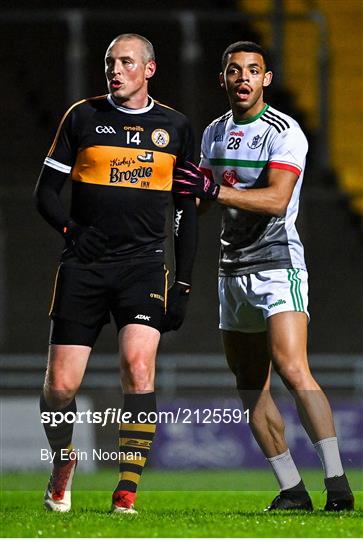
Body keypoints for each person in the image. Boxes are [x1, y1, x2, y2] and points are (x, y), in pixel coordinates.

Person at [172, 41, 354, 512]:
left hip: (278, 264)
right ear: (224, 79)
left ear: (266, 79)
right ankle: (292, 489)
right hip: (231, 268)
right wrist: (175, 201)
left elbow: (275, 200)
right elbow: (202, 198)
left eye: (253, 70)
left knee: (293, 368)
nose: (244, 78)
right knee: (250, 383)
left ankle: (337, 484)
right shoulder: (213, 133)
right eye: (235, 70)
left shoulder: (283, 131)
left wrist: (214, 189)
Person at [34, 33, 197, 514]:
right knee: (61, 386)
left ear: (149, 69)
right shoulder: (83, 117)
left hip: (143, 268)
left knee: (139, 367)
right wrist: (70, 230)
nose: (115, 69)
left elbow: (185, 212)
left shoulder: (176, 127)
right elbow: (44, 193)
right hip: (83, 268)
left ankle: (127, 487)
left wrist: (183, 283)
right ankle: (63, 462)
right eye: (110, 62)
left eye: (126, 61)